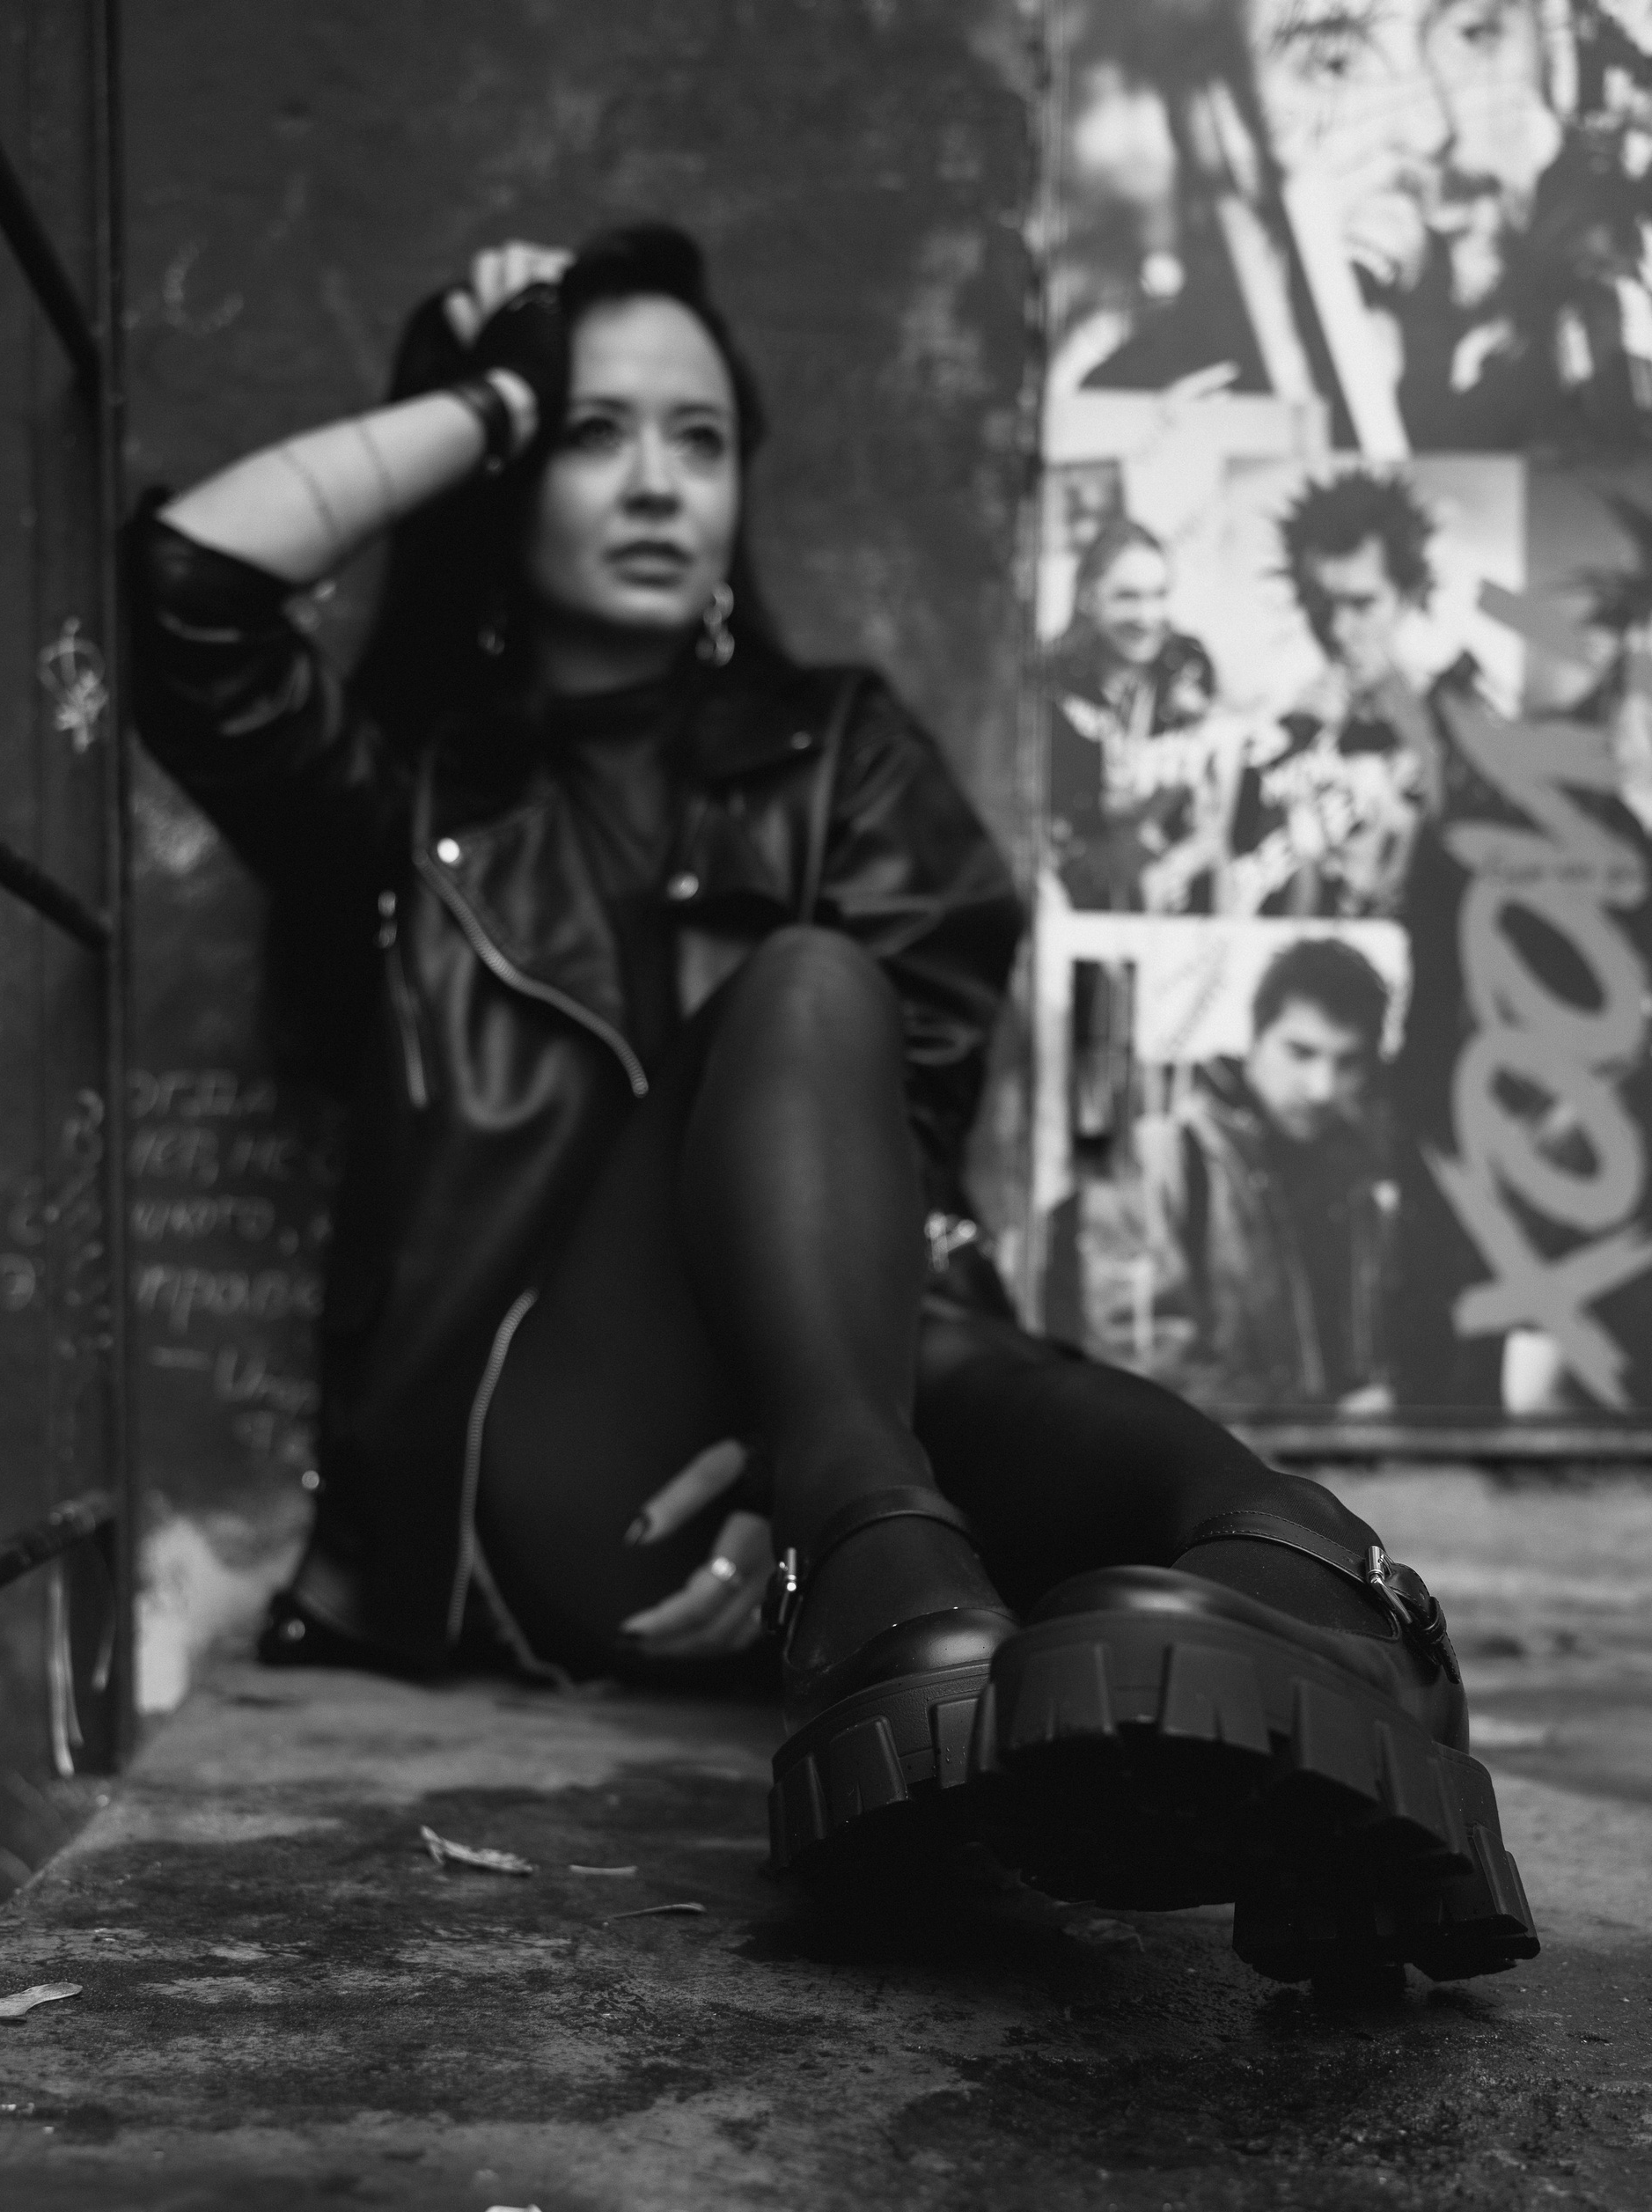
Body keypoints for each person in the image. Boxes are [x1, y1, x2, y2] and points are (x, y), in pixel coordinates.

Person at [129, 223, 1534, 1983]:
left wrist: (810, 1435)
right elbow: (187, 592)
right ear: (504, 474)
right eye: (590, 432)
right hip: (569, 1483)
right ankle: (1144, 1564)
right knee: (805, 981)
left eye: (702, 439)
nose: (660, 483)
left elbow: (900, 1164)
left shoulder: (846, 752)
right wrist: (487, 394)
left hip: (846, 1472)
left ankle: (1273, 1572)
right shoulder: (402, 795)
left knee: (897, 1235)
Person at [1058, 0, 1652, 452]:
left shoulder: (1620, 360)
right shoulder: (1146, 414)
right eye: (1335, 64)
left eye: (1474, 34)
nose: (1430, 128)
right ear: (1229, 128)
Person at [1141, 937, 1399, 1409]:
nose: (1321, 1088)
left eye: (1347, 1062)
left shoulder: (1367, 1179)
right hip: (1232, 1452)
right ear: (1255, 1040)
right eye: (1300, 1053)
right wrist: (1312, 1422)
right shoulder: (1175, 1157)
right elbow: (1143, 1363)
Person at [1228, 472, 1449, 918]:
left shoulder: (1452, 726)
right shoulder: (1277, 728)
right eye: (1321, 605)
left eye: (1362, 604)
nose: (1338, 630)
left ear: (1408, 599)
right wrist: (1294, 745)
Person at [1046, 517, 1223, 911]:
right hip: (1084, 894)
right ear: (1087, 598)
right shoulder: (1052, 685)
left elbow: (1215, 818)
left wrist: (1176, 867)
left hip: (1178, 890)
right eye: (1128, 597)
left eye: (1159, 595)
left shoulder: (1189, 668)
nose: (1148, 617)